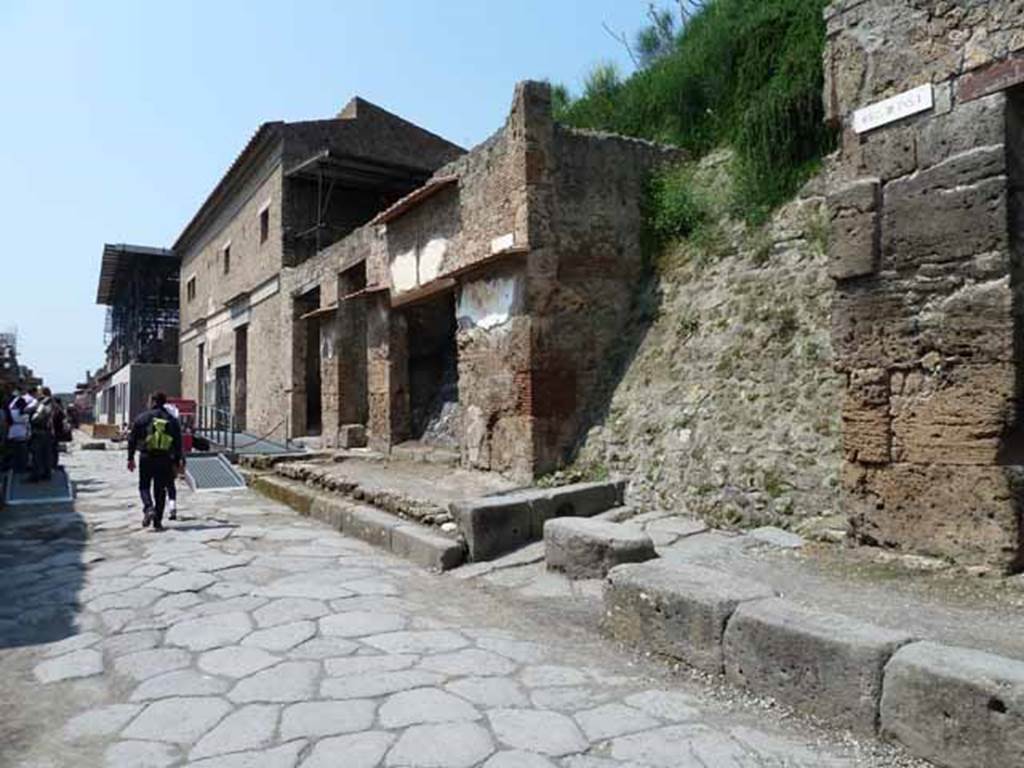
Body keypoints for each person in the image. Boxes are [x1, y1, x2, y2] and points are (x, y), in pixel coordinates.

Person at [127, 391, 182, 531]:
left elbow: (132, 439)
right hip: (164, 458)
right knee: (160, 489)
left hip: (146, 456)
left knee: (144, 486)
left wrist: (130, 458)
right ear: (164, 402)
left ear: (152, 401)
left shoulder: (142, 418)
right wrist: (177, 461)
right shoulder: (171, 420)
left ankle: (148, 508)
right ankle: (157, 521)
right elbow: (178, 442)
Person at [28, 387, 55, 482]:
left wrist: (31, 417)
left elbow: (36, 418)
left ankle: (36, 475)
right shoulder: (51, 403)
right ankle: (46, 474)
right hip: (47, 432)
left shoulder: (43, 403)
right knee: (46, 455)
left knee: (37, 455)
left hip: (40, 431)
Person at [162, 400, 183, 520]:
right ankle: (172, 506)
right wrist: (180, 459)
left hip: (156, 456)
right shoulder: (174, 423)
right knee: (170, 484)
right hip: (171, 456)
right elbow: (178, 443)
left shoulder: (156, 420)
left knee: (158, 485)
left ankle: (154, 509)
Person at [7, 389, 34, 473]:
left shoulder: (12, 408)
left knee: (14, 451)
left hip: (13, 431)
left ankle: (15, 467)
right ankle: (21, 468)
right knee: (22, 452)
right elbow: (26, 421)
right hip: (21, 432)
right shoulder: (22, 413)